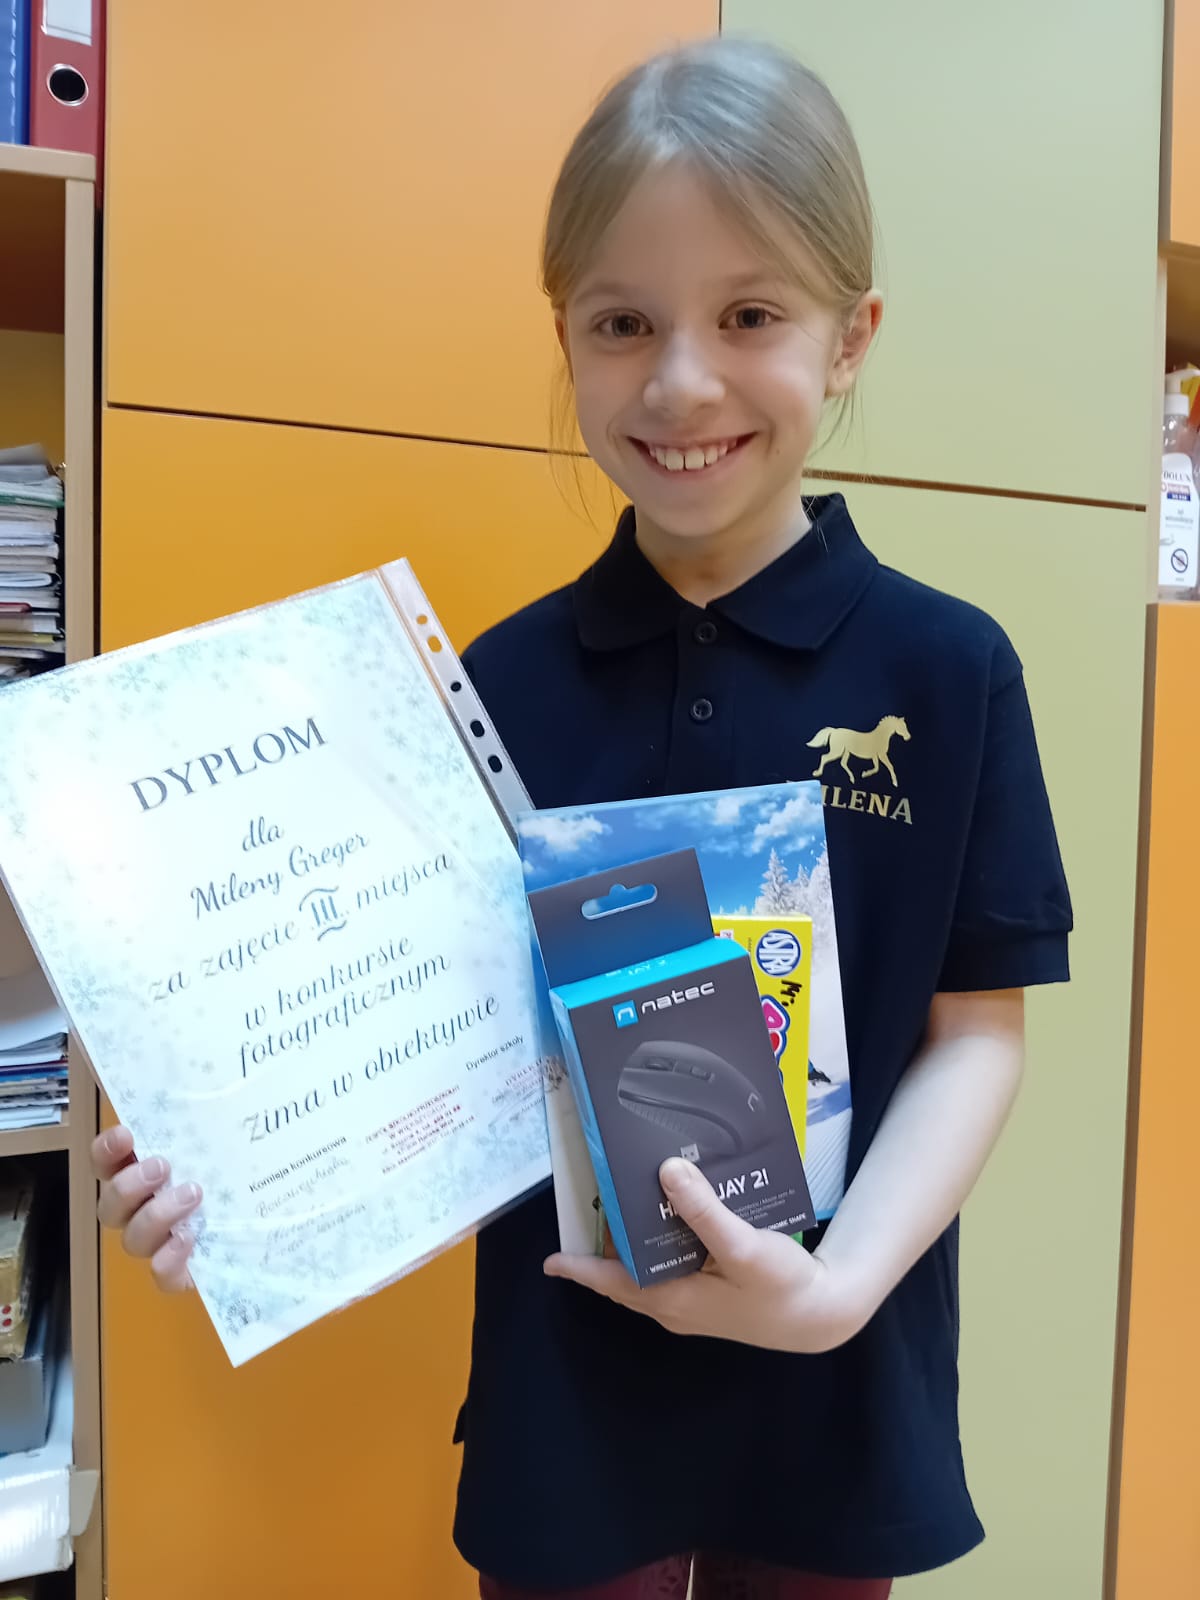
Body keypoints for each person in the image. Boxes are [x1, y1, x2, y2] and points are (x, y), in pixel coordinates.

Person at [91, 35, 1072, 1600]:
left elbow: (978, 1032)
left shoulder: (948, 672)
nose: (680, 383)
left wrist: (834, 1293)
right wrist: (241, 1171)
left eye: (749, 315)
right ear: (564, 334)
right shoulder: (490, 689)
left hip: (833, 1390)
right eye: (624, 323)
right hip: (570, 1399)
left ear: (851, 338)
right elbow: (425, 1053)